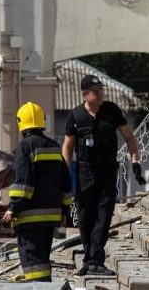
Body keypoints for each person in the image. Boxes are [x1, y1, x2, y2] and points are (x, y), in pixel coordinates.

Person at [62, 74, 144, 276]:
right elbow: (68, 145)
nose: (100, 94)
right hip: (84, 172)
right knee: (84, 215)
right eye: (95, 91)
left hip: (107, 172)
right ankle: (89, 258)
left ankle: (96, 260)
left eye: (101, 90)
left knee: (104, 214)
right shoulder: (76, 116)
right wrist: (64, 173)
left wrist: (135, 161)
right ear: (85, 94)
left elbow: (130, 137)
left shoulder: (112, 111)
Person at [3, 102, 72, 282]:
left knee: (32, 259)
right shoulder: (55, 147)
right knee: (42, 258)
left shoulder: (24, 148)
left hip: (29, 218)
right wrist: (64, 211)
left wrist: (13, 209)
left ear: (21, 124)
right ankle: (44, 287)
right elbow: (66, 182)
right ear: (42, 122)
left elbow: (23, 184)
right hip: (51, 217)